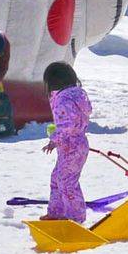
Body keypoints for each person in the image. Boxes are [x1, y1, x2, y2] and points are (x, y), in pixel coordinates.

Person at [42, 62, 91, 222]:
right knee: (57, 178)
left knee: (67, 182)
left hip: (71, 146)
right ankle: (57, 212)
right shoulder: (76, 95)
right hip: (75, 145)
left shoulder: (63, 99)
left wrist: (54, 139)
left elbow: (67, 125)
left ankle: (75, 218)